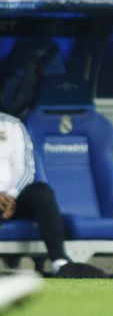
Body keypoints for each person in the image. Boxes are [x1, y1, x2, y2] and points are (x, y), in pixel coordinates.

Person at [0, 111, 71, 275]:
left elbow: (25, 169)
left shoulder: (13, 125)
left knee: (42, 193)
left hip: (13, 197)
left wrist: (11, 195)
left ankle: (60, 263)